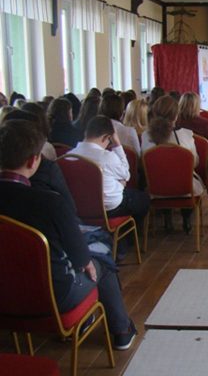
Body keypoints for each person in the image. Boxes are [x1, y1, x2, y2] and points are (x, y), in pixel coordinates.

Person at [0, 119, 137, 350]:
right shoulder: (50, 203)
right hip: (51, 296)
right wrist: (88, 262)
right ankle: (121, 330)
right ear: (33, 160)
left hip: (5, 295)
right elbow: (81, 258)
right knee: (102, 263)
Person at [69, 116, 150, 232]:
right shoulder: (106, 157)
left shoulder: (67, 156)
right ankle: (127, 235)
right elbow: (126, 174)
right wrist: (117, 144)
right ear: (106, 137)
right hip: (108, 208)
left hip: (79, 208)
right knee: (143, 199)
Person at [141, 95, 203, 233]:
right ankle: (186, 218)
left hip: (156, 188)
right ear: (176, 116)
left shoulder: (146, 136)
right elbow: (195, 162)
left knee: (164, 178)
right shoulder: (186, 134)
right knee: (186, 179)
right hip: (185, 188)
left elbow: (144, 162)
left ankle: (167, 218)